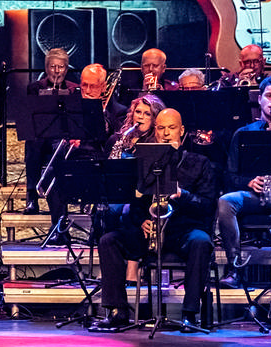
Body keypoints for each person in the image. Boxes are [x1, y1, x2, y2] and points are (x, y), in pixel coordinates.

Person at [90, 107, 218, 330]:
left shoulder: (200, 163)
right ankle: (117, 311)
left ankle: (189, 314)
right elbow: (134, 204)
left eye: (171, 128)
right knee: (108, 241)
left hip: (183, 231)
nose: (166, 134)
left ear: (182, 131)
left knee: (201, 242)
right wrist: (141, 220)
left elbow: (208, 205)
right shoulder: (142, 162)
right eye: (160, 128)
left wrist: (183, 195)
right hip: (149, 232)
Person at [216, 77, 271, 270]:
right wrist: (249, 182)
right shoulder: (244, 133)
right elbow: (229, 175)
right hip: (255, 195)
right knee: (225, 201)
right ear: (259, 99)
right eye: (269, 96)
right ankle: (235, 268)